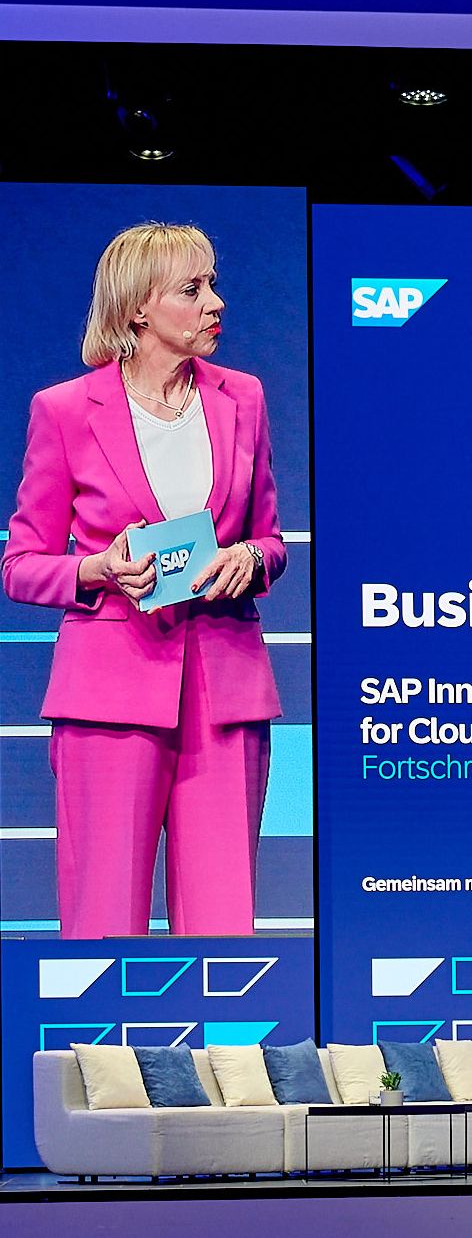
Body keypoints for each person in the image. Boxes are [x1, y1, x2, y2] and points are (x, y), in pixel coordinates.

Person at [2, 221, 288, 936]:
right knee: (104, 925)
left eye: (213, 283)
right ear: (138, 308)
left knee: (225, 936)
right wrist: (97, 569)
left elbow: (270, 539)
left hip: (225, 691)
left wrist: (250, 561)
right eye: (193, 289)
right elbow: (21, 563)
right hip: (109, 692)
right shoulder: (64, 411)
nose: (216, 302)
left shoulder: (242, 398)